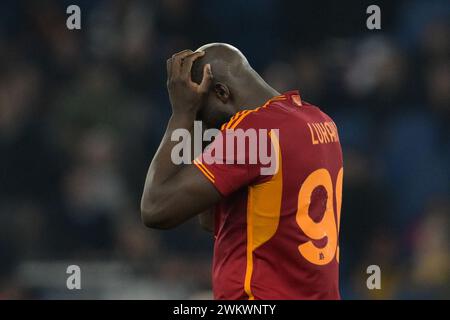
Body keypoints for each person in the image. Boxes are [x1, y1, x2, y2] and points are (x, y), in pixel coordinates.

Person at [141, 43, 343, 299]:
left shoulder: (252, 133)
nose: (202, 124)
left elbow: (155, 209)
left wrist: (182, 114)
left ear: (222, 92)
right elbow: (210, 219)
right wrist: (205, 120)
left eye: (202, 113)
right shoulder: (319, 120)